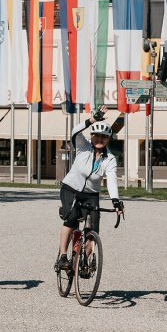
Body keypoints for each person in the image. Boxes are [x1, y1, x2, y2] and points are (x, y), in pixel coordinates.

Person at [55, 105, 126, 273]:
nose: (99, 139)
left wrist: (116, 202)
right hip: (70, 189)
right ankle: (63, 257)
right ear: (92, 136)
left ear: (108, 139)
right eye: (97, 135)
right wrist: (93, 119)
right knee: (71, 218)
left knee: (93, 229)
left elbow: (112, 181)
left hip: (91, 194)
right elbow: (75, 131)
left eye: (104, 136)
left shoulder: (110, 159)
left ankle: (84, 262)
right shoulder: (83, 146)